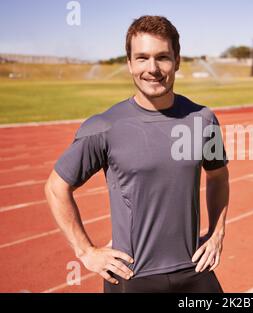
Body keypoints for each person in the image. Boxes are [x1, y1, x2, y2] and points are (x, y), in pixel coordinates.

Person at [44, 15, 229, 293]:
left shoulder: (203, 120)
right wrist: (86, 251)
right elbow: (56, 188)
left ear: (177, 61)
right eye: (142, 58)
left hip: (194, 270)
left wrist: (217, 234)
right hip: (133, 277)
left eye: (162, 57)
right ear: (130, 63)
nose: (152, 68)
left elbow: (218, 176)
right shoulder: (104, 127)